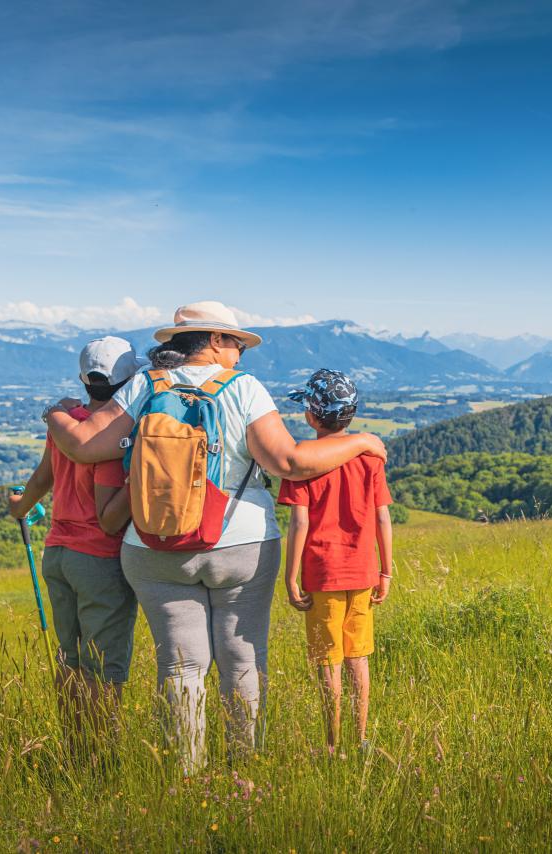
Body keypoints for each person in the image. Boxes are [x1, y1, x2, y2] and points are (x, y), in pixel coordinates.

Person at [43, 301, 388, 771]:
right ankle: (244, 770)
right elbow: (289, 462)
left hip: (153, 546)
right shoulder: (243, 388)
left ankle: (185, 777)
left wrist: (54, 414)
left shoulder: (146, 384)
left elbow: (84, 446)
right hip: (239, 543)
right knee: (241, 660)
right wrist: (365, 442)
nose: (241, 354)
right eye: (236, 343)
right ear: (214, 341)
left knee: (180, 667)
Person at [8, 336, 143, 749]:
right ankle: (102, 755)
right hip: (98, 558)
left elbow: (44, 476)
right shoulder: (110, 436)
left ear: (84, 380)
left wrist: (21, 506)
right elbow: (111, 508)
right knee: (105, 666)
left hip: (59, 554)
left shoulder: (70, 425)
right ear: (129, 382)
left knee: (71, 660)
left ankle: (75, 748)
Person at [278, 369, 393, 755]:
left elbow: (299, 521)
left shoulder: (303, 462)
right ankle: (359, 740)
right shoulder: (370, 459)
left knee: (327, 661)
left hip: (322, 573)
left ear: (311, 416)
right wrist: (386, 570)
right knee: (357, 658)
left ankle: (331, 745)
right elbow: (381, 517)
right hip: (362, 572)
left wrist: (291, 576)